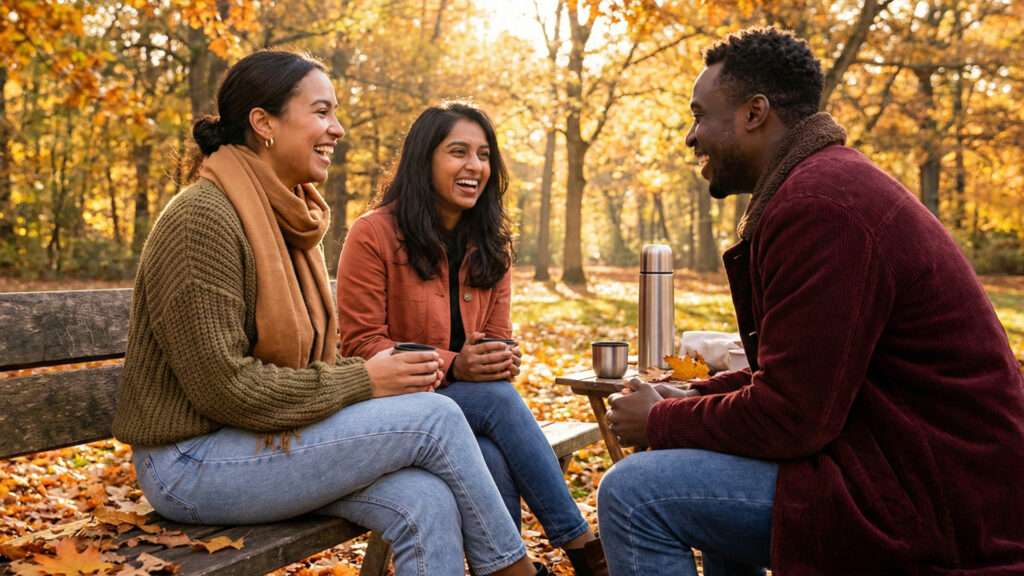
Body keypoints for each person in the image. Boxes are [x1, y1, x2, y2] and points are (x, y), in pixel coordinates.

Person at [598, 27, 1024, 576]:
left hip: (936, 500)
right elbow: (799, 380)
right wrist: (687, 396)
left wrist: (660, 420)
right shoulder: (822, 188)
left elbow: (793, 418)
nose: (690, 137)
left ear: (755, 113)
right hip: (904, 468)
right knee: (709, 457)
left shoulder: (823, 208)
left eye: (700, 115)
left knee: (635, 495)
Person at [112, 50, 549, 576]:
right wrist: (364, 379)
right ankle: (513, 571)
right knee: (436, 416)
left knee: (427, 500)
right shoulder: (202, 218)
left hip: (263, 439)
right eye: (322, 112)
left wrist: (368, 377)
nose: (337, 129)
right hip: (189, 463)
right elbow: (223, 388)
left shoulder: (293, 220)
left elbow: (298, 369)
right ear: (264, 123)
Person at [336, 102, 607, 576]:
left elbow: (498, 337)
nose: (474, 166)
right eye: (457, 151)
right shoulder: (373, 234)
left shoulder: (491, 242)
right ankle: (582, 545)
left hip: (471, 408)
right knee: (498, 403)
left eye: (483, 155)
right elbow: (359, 344)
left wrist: (500, 357)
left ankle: (505, 569)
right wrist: (456, 364)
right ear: (425, 160)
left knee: (489, 452)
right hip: (394, 407)